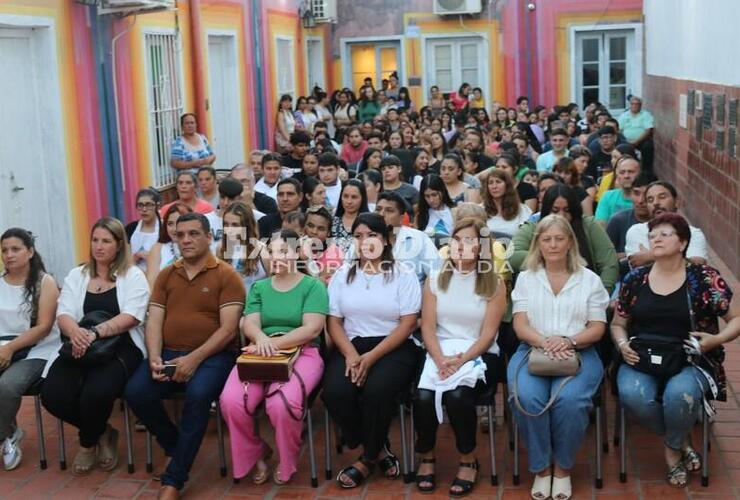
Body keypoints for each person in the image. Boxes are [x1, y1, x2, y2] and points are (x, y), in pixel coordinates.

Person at [611, 212, 739, 488]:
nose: (656, 239)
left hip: (690, 358)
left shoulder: (704, 278)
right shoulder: (636, 279)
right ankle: (681, 440)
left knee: (679, 396)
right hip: (641, 357)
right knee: (634, 395)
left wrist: (715, 341)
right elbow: (618, 323)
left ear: (682, 244)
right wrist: (622, 345)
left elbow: (736, 319)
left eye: (664, 234)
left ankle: (671, 449)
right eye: (652, 235)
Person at [125, 213, 245, 499]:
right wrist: (154, 357)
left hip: (213, 356)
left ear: (208, 237)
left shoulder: (226, 275)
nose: (186, 240)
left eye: (193, 234)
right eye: (180, 235)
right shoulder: (168, 273)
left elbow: (228, 330)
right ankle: (177, 447)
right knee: (136, 392)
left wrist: (194, 359)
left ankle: (174, 479)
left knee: (198, 395)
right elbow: (154, 320)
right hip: (168, 351)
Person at [507, 214, 610, 500]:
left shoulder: (590, 280)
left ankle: (563, 469)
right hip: (532, 349)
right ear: (538, 244)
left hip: (580, 351)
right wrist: (547, 342)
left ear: (570, 243)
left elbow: (597, 328)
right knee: (526, 397)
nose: (552, 245)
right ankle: (542, 469)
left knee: (571, 401)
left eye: (559, 239)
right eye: (546, 239)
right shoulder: (526, 279)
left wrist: (568, 341)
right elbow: (520, 326)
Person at [219, 229, 328, 485]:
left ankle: (287, 459)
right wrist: (261, 340)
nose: (276, 257)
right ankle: (256, 452)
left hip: (303, 352)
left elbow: (311, 328)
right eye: (271, 251)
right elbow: (250, 323)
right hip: (260, 350)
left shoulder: (313, 286)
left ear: (297, 253)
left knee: (281, 403)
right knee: (231, 400)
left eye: (283, 251)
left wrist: (272, 344)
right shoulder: (259, 287)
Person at [42, 217, 149, 476]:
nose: (99, 246)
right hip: (79, 343)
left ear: (119, 245)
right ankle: (102, 432)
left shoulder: (133, 275)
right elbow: (64, 311)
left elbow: (132, 316)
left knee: (97, 394)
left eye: (106, 241)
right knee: (52, 396)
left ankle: (88, 443)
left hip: (121, 345)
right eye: (95, 240)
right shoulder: (77, 274)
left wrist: (93, 333)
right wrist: (76, 332)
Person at [322, 213, 422, 489]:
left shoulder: (403, 274)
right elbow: (334, 322)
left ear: (386, 240)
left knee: (377, 391)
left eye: (372, 235)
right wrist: (352, 355)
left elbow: (408, 324)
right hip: (352, 344)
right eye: (358, 236)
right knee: (335, 392)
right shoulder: (343, 275)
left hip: (394, 345)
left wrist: (372, 357)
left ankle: (366, 459)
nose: (365, 242)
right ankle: (378, 448)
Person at [414, 217, 506, 496]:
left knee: (457, 397)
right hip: (439, 350)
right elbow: (427, 327)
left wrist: (462, 359)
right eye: (456, 240)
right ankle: (427, 456)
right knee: (423, 397)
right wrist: (441, 359)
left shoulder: (494, 283)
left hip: (479, 352)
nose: (461, 246)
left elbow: (488, 334)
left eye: (469, 240)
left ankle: (468, 458)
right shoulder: (435, 278)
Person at [0, 229, 60, 471]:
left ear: (30, 252)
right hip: (5, 348)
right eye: (4, 250)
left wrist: (10, 348)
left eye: (15, 249)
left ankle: (4, 437)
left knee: (7, 386)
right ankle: (10, 431)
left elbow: (44, 327)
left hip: (37, 350)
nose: (9, 255)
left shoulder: (44, 282)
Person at [510, 185, 619, 293]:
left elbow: (609, 264)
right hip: (541, 291)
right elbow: (512, 255)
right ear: (546, 210)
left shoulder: (589, 225)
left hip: (585, 293)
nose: (561, 215)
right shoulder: (534, 227)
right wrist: (550, 258)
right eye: (555, 210)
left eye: (567, 210)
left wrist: (602, 293)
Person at [626, 181, 708, 267]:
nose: (655, 203)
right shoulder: (636, 231)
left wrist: (651, 256)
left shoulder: (694, 233)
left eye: (662, 197)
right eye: (650, 200)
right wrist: (679, 256)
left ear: (676, 202)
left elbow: (698, 266)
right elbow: (637, 262)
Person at [375, 192, 441, 284]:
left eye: (389, 211)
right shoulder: (363, 238)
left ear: (401, 218)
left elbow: (437, 275)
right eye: (378, 209)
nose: (381, 214)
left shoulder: (419, 238)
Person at [218, 202, 267, 295]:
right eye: (226, 224)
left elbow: (272, 284)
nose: (229, 229)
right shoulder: (221, 248)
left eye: (235, 225)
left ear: (247, 226)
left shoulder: (262, 250)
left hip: (253, 306)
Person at [606, 174, 651, 262]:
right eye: (636, 193)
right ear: (630, 194)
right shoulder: (618, 220)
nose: (640, 200)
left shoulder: (664, 223)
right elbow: (605, 256)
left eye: (646, 195)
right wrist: (631, 254)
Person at [146, 203, 193, 287]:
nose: (174, 229)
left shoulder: (199, 248)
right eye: (170, 224)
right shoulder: (157, 249)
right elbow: (151, 285)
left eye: (178, 223)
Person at [481, 169, 532, 237]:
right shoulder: (480, 210)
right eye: (490, 183)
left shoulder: (523, 210)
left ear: (507, 185)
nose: (494, 186)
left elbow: (526, 238)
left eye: (498, 182)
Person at [302, 205, 345, 283]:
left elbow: (323, 285)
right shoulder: (295, 246)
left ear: (328, 233)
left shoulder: (334, 253)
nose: (314, 232)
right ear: (304, 226)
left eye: (321, 229)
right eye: (310, 226)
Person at [594, 156, 641, 225]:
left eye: (631, 172)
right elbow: (600, 227)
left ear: (639, 174)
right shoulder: (607, 197)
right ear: (617, 176)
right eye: (622, 172)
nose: (626, 176)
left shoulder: (645, 198)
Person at [125, 188, 162, 271]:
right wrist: (136, 256)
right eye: (140, 205)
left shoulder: (164, 228)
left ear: (157, 206)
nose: (144, 209)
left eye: (149, 205)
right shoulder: (130, 228)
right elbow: (125, 260)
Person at [332, 179, 369, 254]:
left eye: (354, 197)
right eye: (345, 196)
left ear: (362, 199)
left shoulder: (369, 224)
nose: (349, 201)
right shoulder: (331, 222)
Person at [618, 96, 654, 172]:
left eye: (637, 104)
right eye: (632, 104)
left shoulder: (646, 115)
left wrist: (637, 142)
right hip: (626, 140)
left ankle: (646, 171)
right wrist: (625, 140)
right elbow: (619, 130)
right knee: (621, 147)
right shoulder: (624, 116)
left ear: (640, 105)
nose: (634, 106)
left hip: (641, 140)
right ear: (630, 105)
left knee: (648, 146)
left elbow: (648, 130)